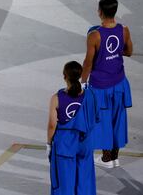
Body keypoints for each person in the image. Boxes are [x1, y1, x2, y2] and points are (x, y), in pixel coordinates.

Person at [82, 0, 133, 169]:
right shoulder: (124, 30)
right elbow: (129, 51)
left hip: (100, 86)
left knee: (103, 120)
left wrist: (82, 83)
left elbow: (88, 62)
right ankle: (115, 158)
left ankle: (106, 159)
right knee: (118, 118)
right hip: (119, 83)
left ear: (100, 12)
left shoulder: (94, 35)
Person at [46, 61, 97, 195]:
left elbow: (52, 125)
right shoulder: (90, 95)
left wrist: (49, 144)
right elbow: (95, 118)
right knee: (84, 181)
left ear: (64, 76)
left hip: (65, 145)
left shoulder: (56, 98)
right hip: (85, 144)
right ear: (80, 75)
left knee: (64, 184)